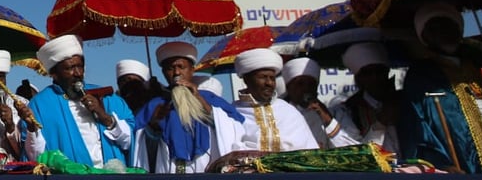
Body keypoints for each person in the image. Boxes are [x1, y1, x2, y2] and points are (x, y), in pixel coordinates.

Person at [400, 2, 482, 180]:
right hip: (467, 163)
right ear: (425, 36)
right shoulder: (421, 76)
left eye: (450, 25)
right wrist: (441, 165)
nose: (445, 32)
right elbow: (418, 129)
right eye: (436, 28)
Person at [132, 41, 245, 173]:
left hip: (207, 167)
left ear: (192, 70)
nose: (176, 73)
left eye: (181, 67)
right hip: (169, 168)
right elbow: (139, 144)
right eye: (170, 68)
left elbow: (236, 126)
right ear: (163, 72)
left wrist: (199, 99)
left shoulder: (209, 98)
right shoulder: (155, 104)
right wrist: (153, 125)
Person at [24, 34, 133, 168]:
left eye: (80, 66)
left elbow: (131, 143)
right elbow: (35, 157)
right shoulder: (40, 105)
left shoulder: (109, 98)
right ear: (54, 73)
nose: (78, 73)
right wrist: (32, 129)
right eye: (70, 68)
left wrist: (105, 118)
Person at [233, 48, 318, 152]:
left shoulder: (288, 111)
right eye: (263, 77)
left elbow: (310, 151)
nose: (269, 83)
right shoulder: (233, 113)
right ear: (246, 79)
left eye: (272, 78)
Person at [330, 42, 400, 155]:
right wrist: (380, 124)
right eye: (368, 73)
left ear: (387, 73)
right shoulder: (348, 111)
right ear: (359, 78)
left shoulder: (403, 101)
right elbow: (356, 152)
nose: (375, 78)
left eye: (379, 71)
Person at [281, 56, 355, 148]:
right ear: (289, 87)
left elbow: (352, 148)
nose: (306, 88)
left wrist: (328, 120)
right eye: (300, 84)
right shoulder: (279, 114)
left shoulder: (335, 113)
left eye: (311, 84)